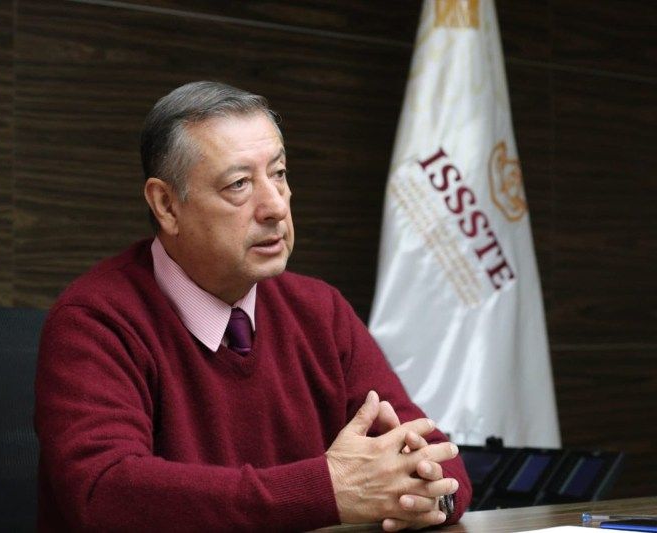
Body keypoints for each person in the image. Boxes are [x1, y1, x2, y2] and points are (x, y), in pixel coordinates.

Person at [35, 81, 472, 532]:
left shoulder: (319, 311)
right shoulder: (95, 321)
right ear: (166, 205)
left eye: (278, 174)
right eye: (239, 184)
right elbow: (105, 493)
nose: (275, 207)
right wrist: (328, 491)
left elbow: (439, 459)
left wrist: (428, 496)